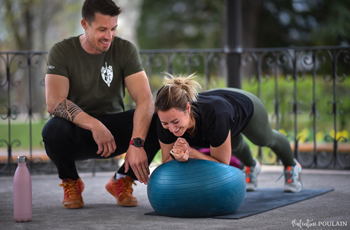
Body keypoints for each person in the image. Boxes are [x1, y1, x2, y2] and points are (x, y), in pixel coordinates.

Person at [42, 0, 160, 209]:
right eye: (102, 29)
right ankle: (71, 181)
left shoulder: (124, 49)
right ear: (84, 24)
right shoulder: (62, 51)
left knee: (158, 120)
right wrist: (95, 125)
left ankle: (122, 180)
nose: (109, 36)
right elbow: (54, 102)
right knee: (53, 129)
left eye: (113, 28)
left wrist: (137, 143)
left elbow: (145, 99)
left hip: (114, 132)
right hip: (77, 131)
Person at [155, 73, 302, 193]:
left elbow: (222, 165)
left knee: (264, 139)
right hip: (222, 107)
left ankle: (292, 166)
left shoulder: (215, 116)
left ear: (188, 108)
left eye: (175, 122)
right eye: (165, 123)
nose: (171, 128)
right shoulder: (164, 120)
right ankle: (251, 166)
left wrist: (192, 153)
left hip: (243, 104)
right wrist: (180, 156)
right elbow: (167, 160)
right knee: (235, 144)